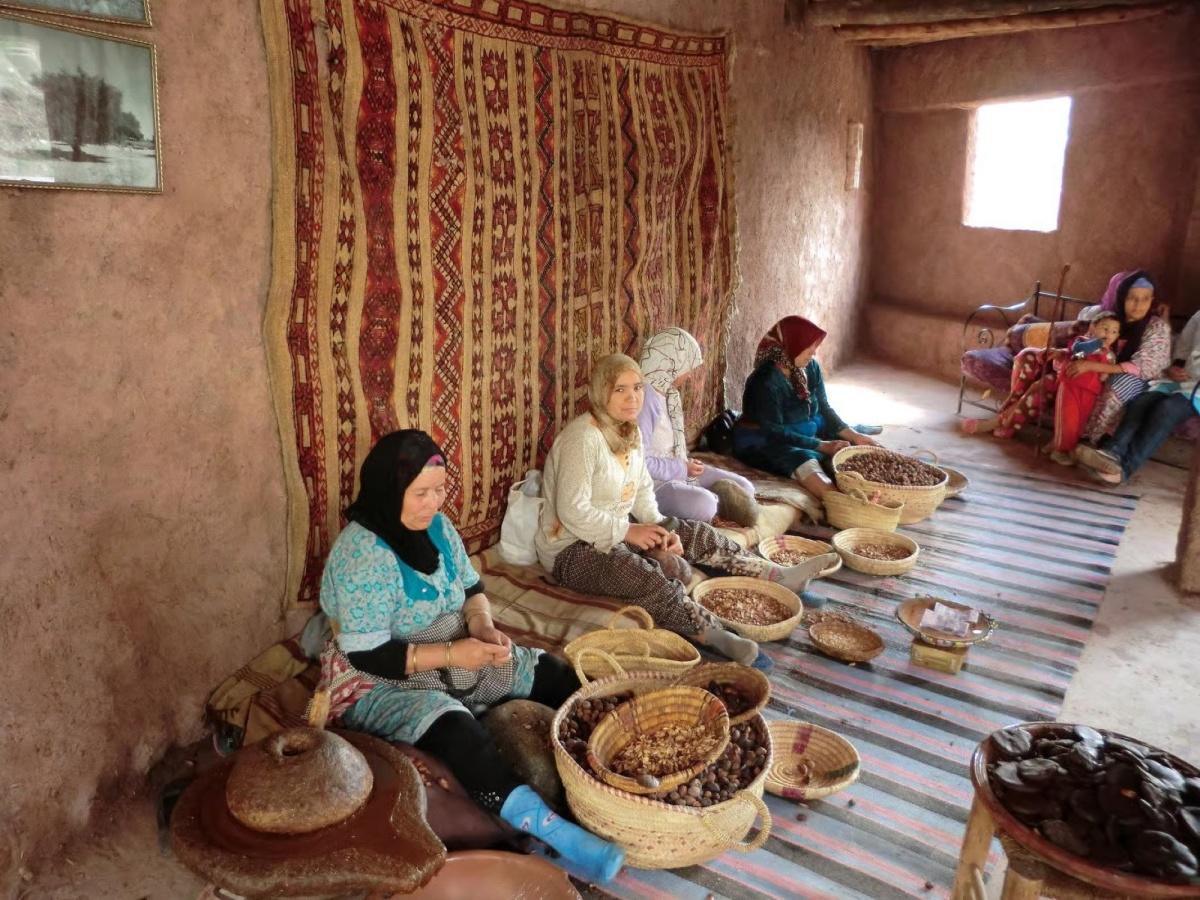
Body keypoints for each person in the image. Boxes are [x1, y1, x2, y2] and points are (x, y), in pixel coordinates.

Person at [317, 430, 623, 884]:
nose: (433, 503)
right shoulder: (362, 554)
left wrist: (481, 627)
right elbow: (369, 653)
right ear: (389, 489)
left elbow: (471, 587)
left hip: (454, 646)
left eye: (439, 490)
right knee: (455, 730)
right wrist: (453, 652)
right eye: (420, 493)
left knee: (551, 672)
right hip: (381, 677)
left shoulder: (438, 529)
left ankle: (622, 751)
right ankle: (553, 830)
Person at [536, 354, 837, 667]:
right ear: (600, 392)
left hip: (620, 527)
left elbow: (641, 488)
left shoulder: (630, 431)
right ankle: (712, 633)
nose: (633, 398)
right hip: (571, 548)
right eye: (620, 389)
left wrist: (659, 527)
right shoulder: (582, 439)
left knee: (696, 533)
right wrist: (628, 531)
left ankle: (776, 575)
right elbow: (572, 510)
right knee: (637, 573)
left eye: (637, 387)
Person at [732, 316, 876, 499]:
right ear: (792, 345)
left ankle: (874, 487)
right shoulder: (765, 381)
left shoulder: (810, 368)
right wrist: (820, 445)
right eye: (809, 347)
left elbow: (824, 407)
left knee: (850, 446)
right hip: (764, 439)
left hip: (803, 429)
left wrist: (854, 435)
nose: (813, 353)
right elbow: (775, 432)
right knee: (802, 458)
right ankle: (840, 501)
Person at [960, 312, 1121, 464]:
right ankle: (1002, 422)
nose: (1108, 334)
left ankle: (1006, 423)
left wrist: (1100, 371)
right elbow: (1077, 353)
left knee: (1071, 417)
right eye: (1105, 329)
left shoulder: (1110, 355)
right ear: (1093, 327)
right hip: (1069, 383)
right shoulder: (1083, 342)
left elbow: (1106, 374)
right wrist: (1088, 346)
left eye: (1114, 332)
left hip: (1087, 391)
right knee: (1036, 372)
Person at [637, 327, 760, 526]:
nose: (689, 375)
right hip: (653, 484)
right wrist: (681, 467)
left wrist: (685, 464)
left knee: (745, 487)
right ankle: (713, 504)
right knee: (705, 504)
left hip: (679, 470)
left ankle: (715, 502)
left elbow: (673, 448)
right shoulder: (645, 398)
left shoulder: (669, 394)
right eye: (687, 366)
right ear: (671, 362)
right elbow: (639, 463)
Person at [1077, 309, 1200, 484]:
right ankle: (1112, 452)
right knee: (1142, 401)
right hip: (1180, 380)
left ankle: (1124, 470)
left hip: (1197, 391)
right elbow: (1184, 344)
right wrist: (1176, 366)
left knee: (1167, 409)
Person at [1082, 271, 1172, 442]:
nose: (1138, 305)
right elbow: (1087, 346)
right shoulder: (1108, 321)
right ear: (1122, 298)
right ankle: (1069, 433)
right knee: (1080, 377)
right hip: (1103, 367)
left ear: (1152, 300)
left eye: (1145, 299)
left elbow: (1143, 367)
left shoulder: (1157, 327)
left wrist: (1096, 367)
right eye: (1132, 298)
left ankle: (1090, 438)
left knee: (1118, 386)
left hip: (1141, 378)